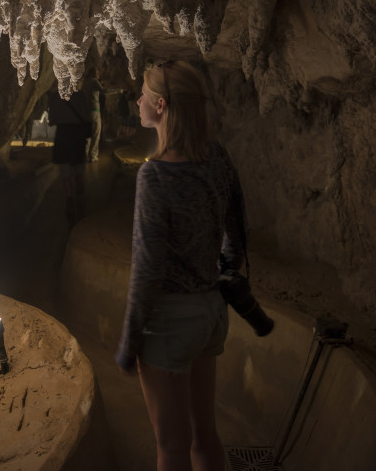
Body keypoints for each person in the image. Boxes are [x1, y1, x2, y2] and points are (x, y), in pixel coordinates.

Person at [115, 60, 246, 471]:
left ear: (161, 104)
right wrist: (218, 279)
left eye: (143, 94)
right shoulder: (218, 158)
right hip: (209, 312)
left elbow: (147, 270)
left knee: (172, 447)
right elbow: (238, 232)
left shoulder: (154, 177)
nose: (137, 101)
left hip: (169, 321)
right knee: (204, 435)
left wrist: (129, 342)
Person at [48, 86, 92, 224]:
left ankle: (69, 201)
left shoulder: (55, 96)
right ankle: (80, 197)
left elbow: (51, 120)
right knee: (79, 171)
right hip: (77, 135)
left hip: (62, 135)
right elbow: (86, 116)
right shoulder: (80, 94)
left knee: (66, 173)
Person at [82, 67, 123, 162]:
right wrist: (119, 90)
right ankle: (92, 156)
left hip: (85, 112)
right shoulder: (94, 81)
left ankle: (84, 155)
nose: (99, 74)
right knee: (96, 134)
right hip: (94, 111)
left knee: (87, 136)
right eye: (97, 72)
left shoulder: (85, 83)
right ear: (94, 73)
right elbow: (104, 91)